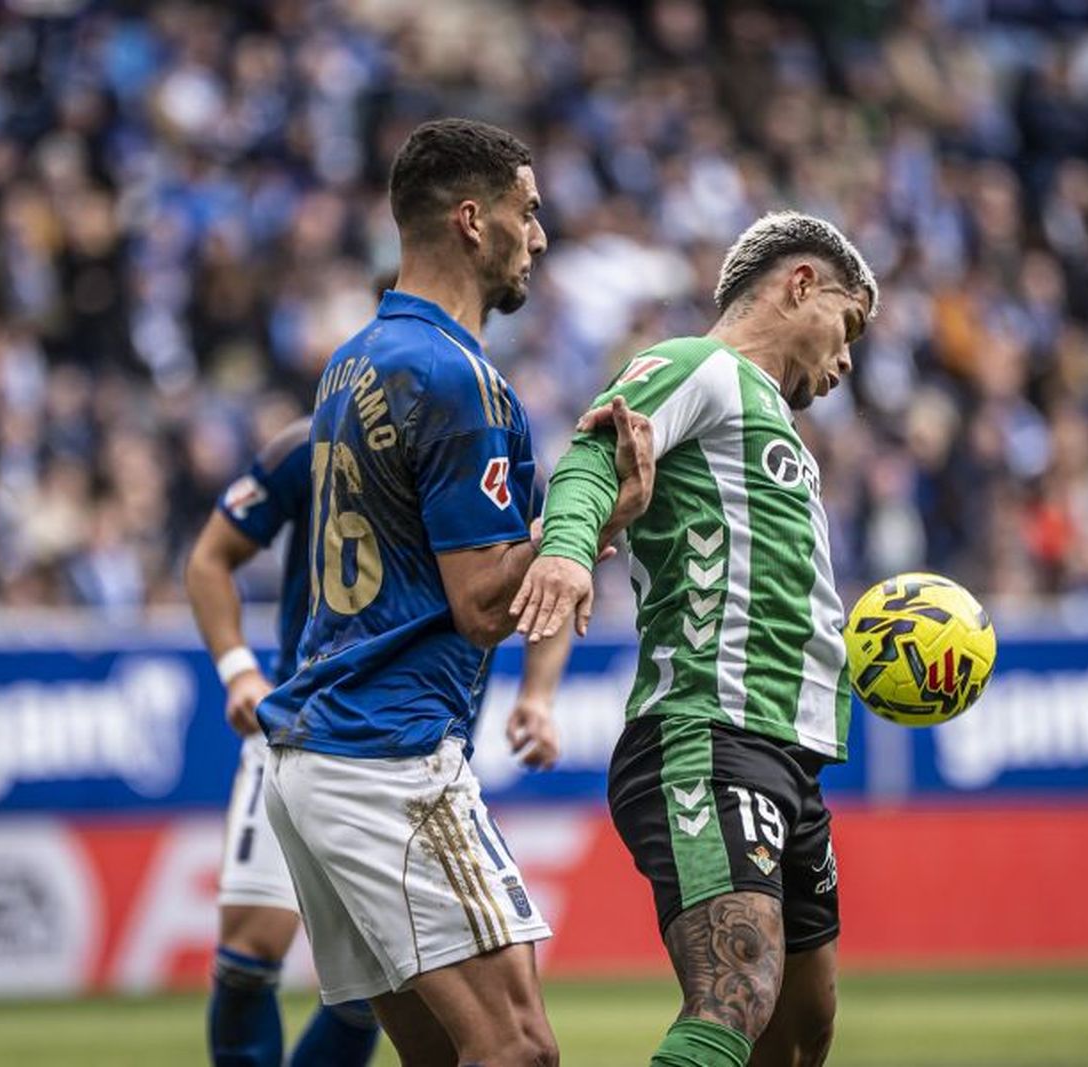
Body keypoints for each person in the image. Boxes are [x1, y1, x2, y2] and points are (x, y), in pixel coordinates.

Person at [254, 118, 653, 1066]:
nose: (541, 236)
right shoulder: (457, 376)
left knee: (446, 1053)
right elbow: (482, 603)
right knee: (519, 1048)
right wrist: (604, 515)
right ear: (475, 221)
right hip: (388, 753)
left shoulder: (352, 360)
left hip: (318, 754)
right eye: (530, 211)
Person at [513, 211, 877, 1067]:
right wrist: (566, 550)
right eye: (848, 323)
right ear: (800, 285)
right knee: (736, 990)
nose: (850, 356)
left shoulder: (773, 427)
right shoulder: (697, 367)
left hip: (789, 755)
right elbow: (590, 459)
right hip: (706, 731)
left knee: (800, 1030)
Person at [186, 413, 571, 1065]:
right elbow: (209, 557)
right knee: (250, 956)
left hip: (408, 747)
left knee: (376, 994)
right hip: (301, 725)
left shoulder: (489, 454)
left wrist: (537, 695)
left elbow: (550, 574)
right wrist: (237, 670)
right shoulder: (310, 444)